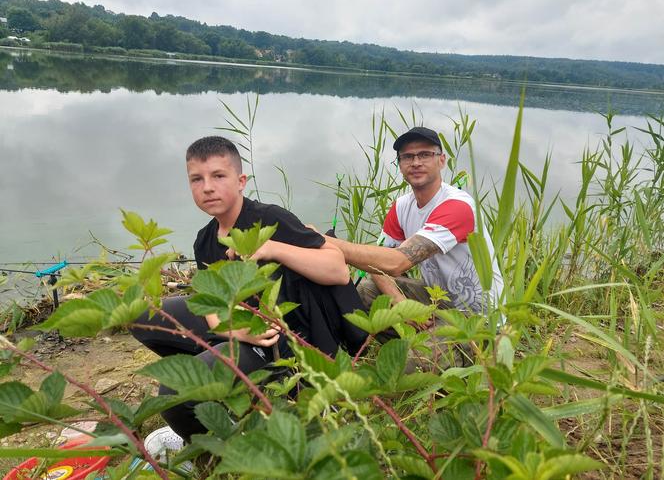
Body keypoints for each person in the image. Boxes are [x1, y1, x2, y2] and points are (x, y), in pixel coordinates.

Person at [131, 136, 366, 445]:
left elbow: (337, 268)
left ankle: (221, 447)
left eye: (218, 176)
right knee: (143, 316)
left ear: (241, 181)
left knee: (174, 393)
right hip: (244, 326)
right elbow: (211, 301)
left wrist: (272, 247)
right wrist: (230, 330)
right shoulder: (205, 240)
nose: (207, 187)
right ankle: (220, 389)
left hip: (286, 339)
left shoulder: (269, 219)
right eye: (196, 179)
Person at [323, 125, 504, 318]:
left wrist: (323, 241)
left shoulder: (458, 206)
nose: (416, 162)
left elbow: (396, 263)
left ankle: (426, 342)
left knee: (415, 349)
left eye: (425, 155)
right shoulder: (401, 206)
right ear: (400, 165)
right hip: (437, 299)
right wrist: (401, 303)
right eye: (407, 157)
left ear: (441, 160)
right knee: (368, 291)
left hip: (478, 316)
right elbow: (378, 266)